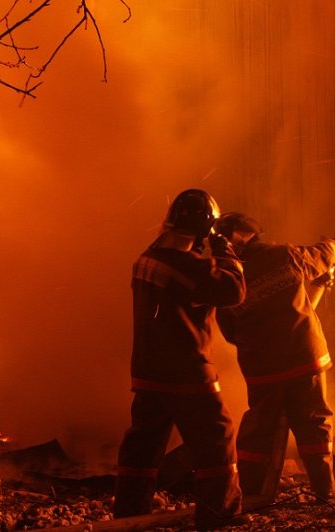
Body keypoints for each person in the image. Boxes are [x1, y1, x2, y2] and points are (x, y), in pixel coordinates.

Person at [113, 189, 248, 530]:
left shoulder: (147, 257)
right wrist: (224, 248)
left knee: (143, 446)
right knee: (217, 437)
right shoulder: (188, 267)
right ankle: (220, 515)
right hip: (186, 373)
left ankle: (129, 515)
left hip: (148, 371)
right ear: (205, 231)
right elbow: (233, 290)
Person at [213, 212, 335, 505]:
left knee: (258, 431)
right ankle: (325, 491)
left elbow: (229, 331)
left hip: (262, 370)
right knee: (314, 424)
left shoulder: (226, 277)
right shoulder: (283, 256)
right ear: (254, 234)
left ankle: (250, 491)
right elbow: (321, 254)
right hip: (304, 360)